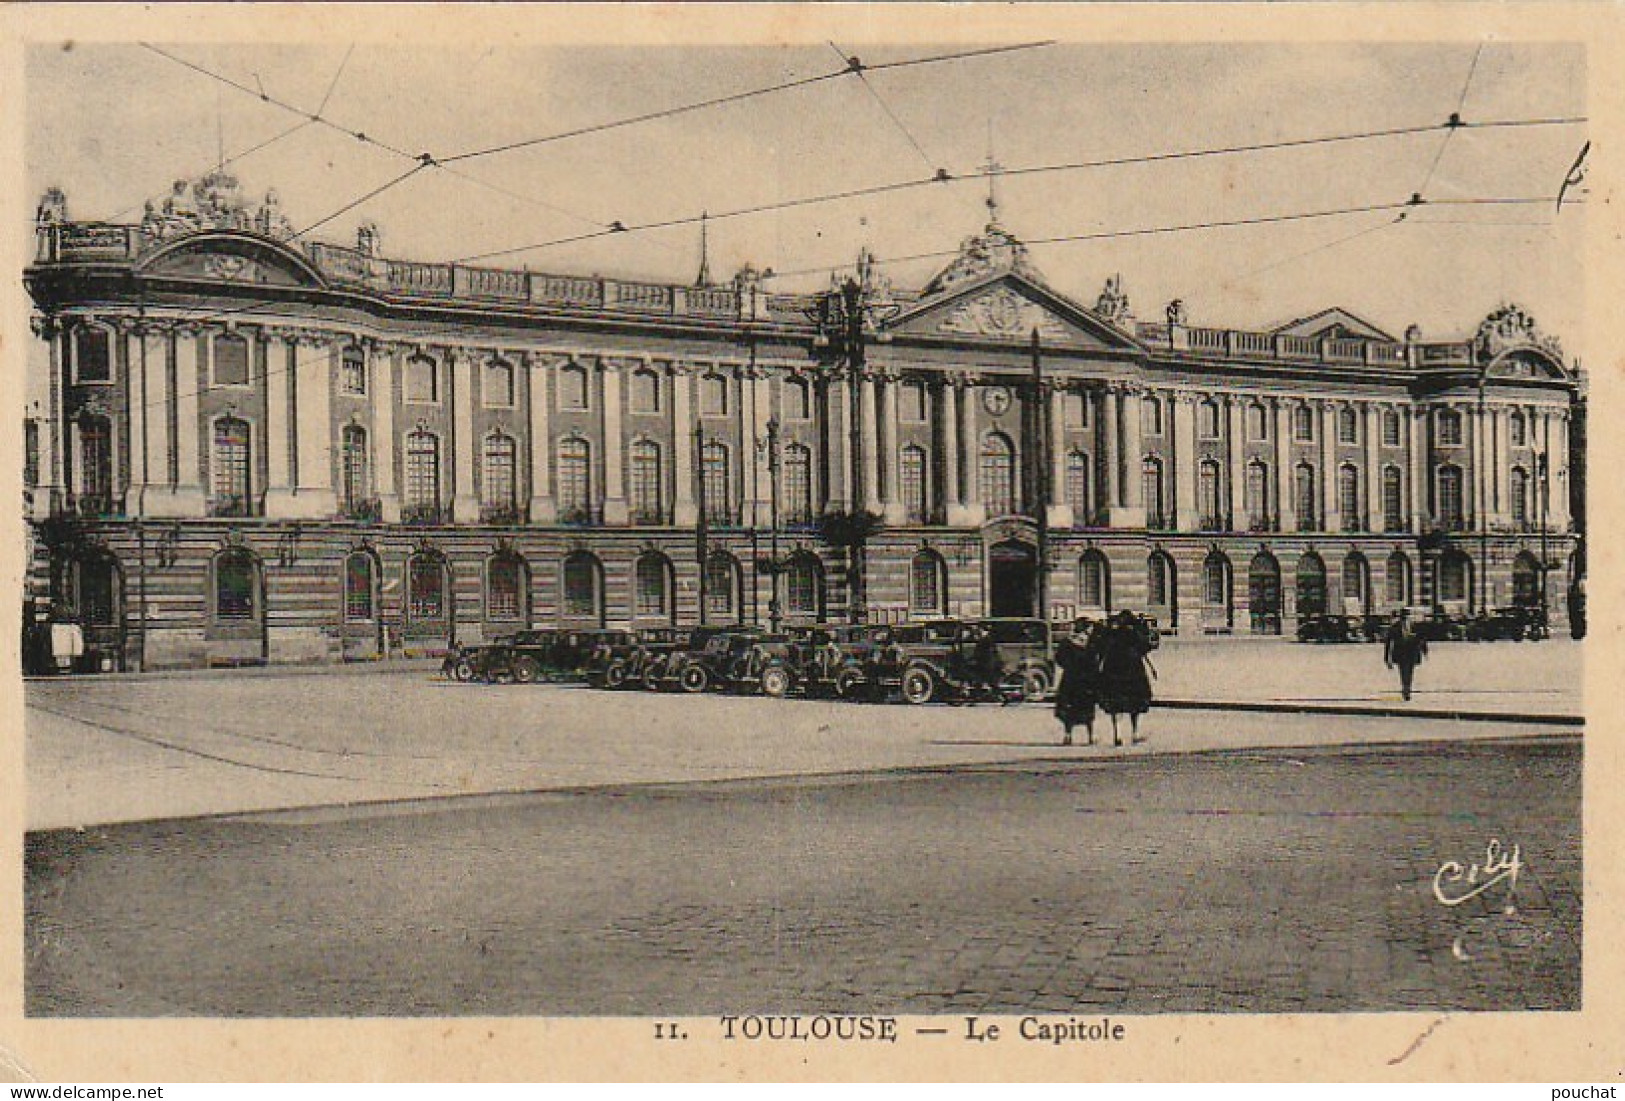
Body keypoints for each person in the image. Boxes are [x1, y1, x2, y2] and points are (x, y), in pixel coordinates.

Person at [1096, 610, 1156, 745]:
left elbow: (1101, 649)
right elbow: (1145, 648)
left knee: (1115, 704)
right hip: (1133, 671)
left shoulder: (1112, 634)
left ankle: (1117, 734)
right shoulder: (1135, 633)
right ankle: (1135, 733)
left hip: (1113, 670)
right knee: (1135, 704)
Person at [1053, 618, 1102, 746]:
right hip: (1086, 680)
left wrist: (1069, 667)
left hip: (1070, 679)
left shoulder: (1067, 642)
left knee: (1070, 708)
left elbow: (1059, 659)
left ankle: (1068, 735)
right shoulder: (1091, 643)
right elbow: (1095, 662)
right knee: (1087, 707)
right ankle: (1091, 736)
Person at [1383, 608, 1429, 701]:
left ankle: (1407, 688)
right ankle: (1406, 689)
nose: (1405, 618)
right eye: (1403, 617)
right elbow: (1388, 643)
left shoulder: (1415, 626)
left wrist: (1425, 651)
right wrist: (1387, 658)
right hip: (1401, 653)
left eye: (1407, 616)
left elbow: (1422, 639)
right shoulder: (1394, 627)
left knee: (1410, 672)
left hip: (1412, 652)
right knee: (1404, 672)